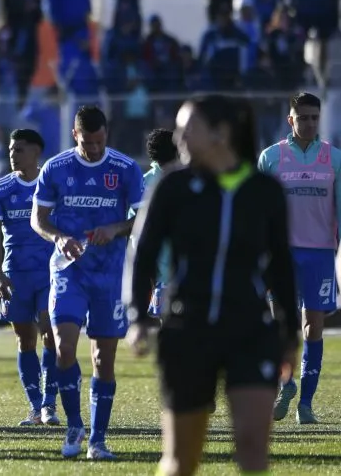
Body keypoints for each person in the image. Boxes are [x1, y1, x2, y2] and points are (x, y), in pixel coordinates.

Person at [125, 95, 299, 476]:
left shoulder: (263, 190)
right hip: (187, 331)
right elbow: (143, 255)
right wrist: (138, 317)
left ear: (221, 133)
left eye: (188, 129)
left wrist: (289, 338)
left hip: (250, 331)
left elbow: (281, 267)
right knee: (181, 460)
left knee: (253, 450)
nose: (179, 138)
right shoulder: (173, 186)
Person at [30, 105, 144, 461]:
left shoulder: (125, 169)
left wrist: (117, 227)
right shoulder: (56, 168)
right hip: (69, 269)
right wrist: (58, 238)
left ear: (106, 134)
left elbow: (143, 217)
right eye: (87, 142)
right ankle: (74, 425)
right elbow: (38, 219)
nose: (94, 148)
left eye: (99, 141)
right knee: (63, 348)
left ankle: (97, 439)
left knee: (102, 359)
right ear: (74, 135)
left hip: (110, 274)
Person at [256, 92, 341, 424]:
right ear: (290, 120)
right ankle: (286, 384)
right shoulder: (271, 158)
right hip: (281, 255)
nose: (308, 123)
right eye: (302, 117)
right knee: (282, 327)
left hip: (319, 254)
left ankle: (305, 405)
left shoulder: (333, 159)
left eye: (313, 117)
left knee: (313, 327)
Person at [0, 128, 60, 427]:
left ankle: (49, 405)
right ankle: (34, 406)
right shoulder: (1, 189)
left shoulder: (52, 184)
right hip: (15, 274)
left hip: (50, 270)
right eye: (11, 150)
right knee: (24, 338)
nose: (12, 155)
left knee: (50, 333)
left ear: (36, 152)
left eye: (19, 150)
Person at [140, 129, 180, 320]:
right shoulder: (185, 179)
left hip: (157, 272)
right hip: (175, 270)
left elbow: (134, 229)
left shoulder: (144, 182)